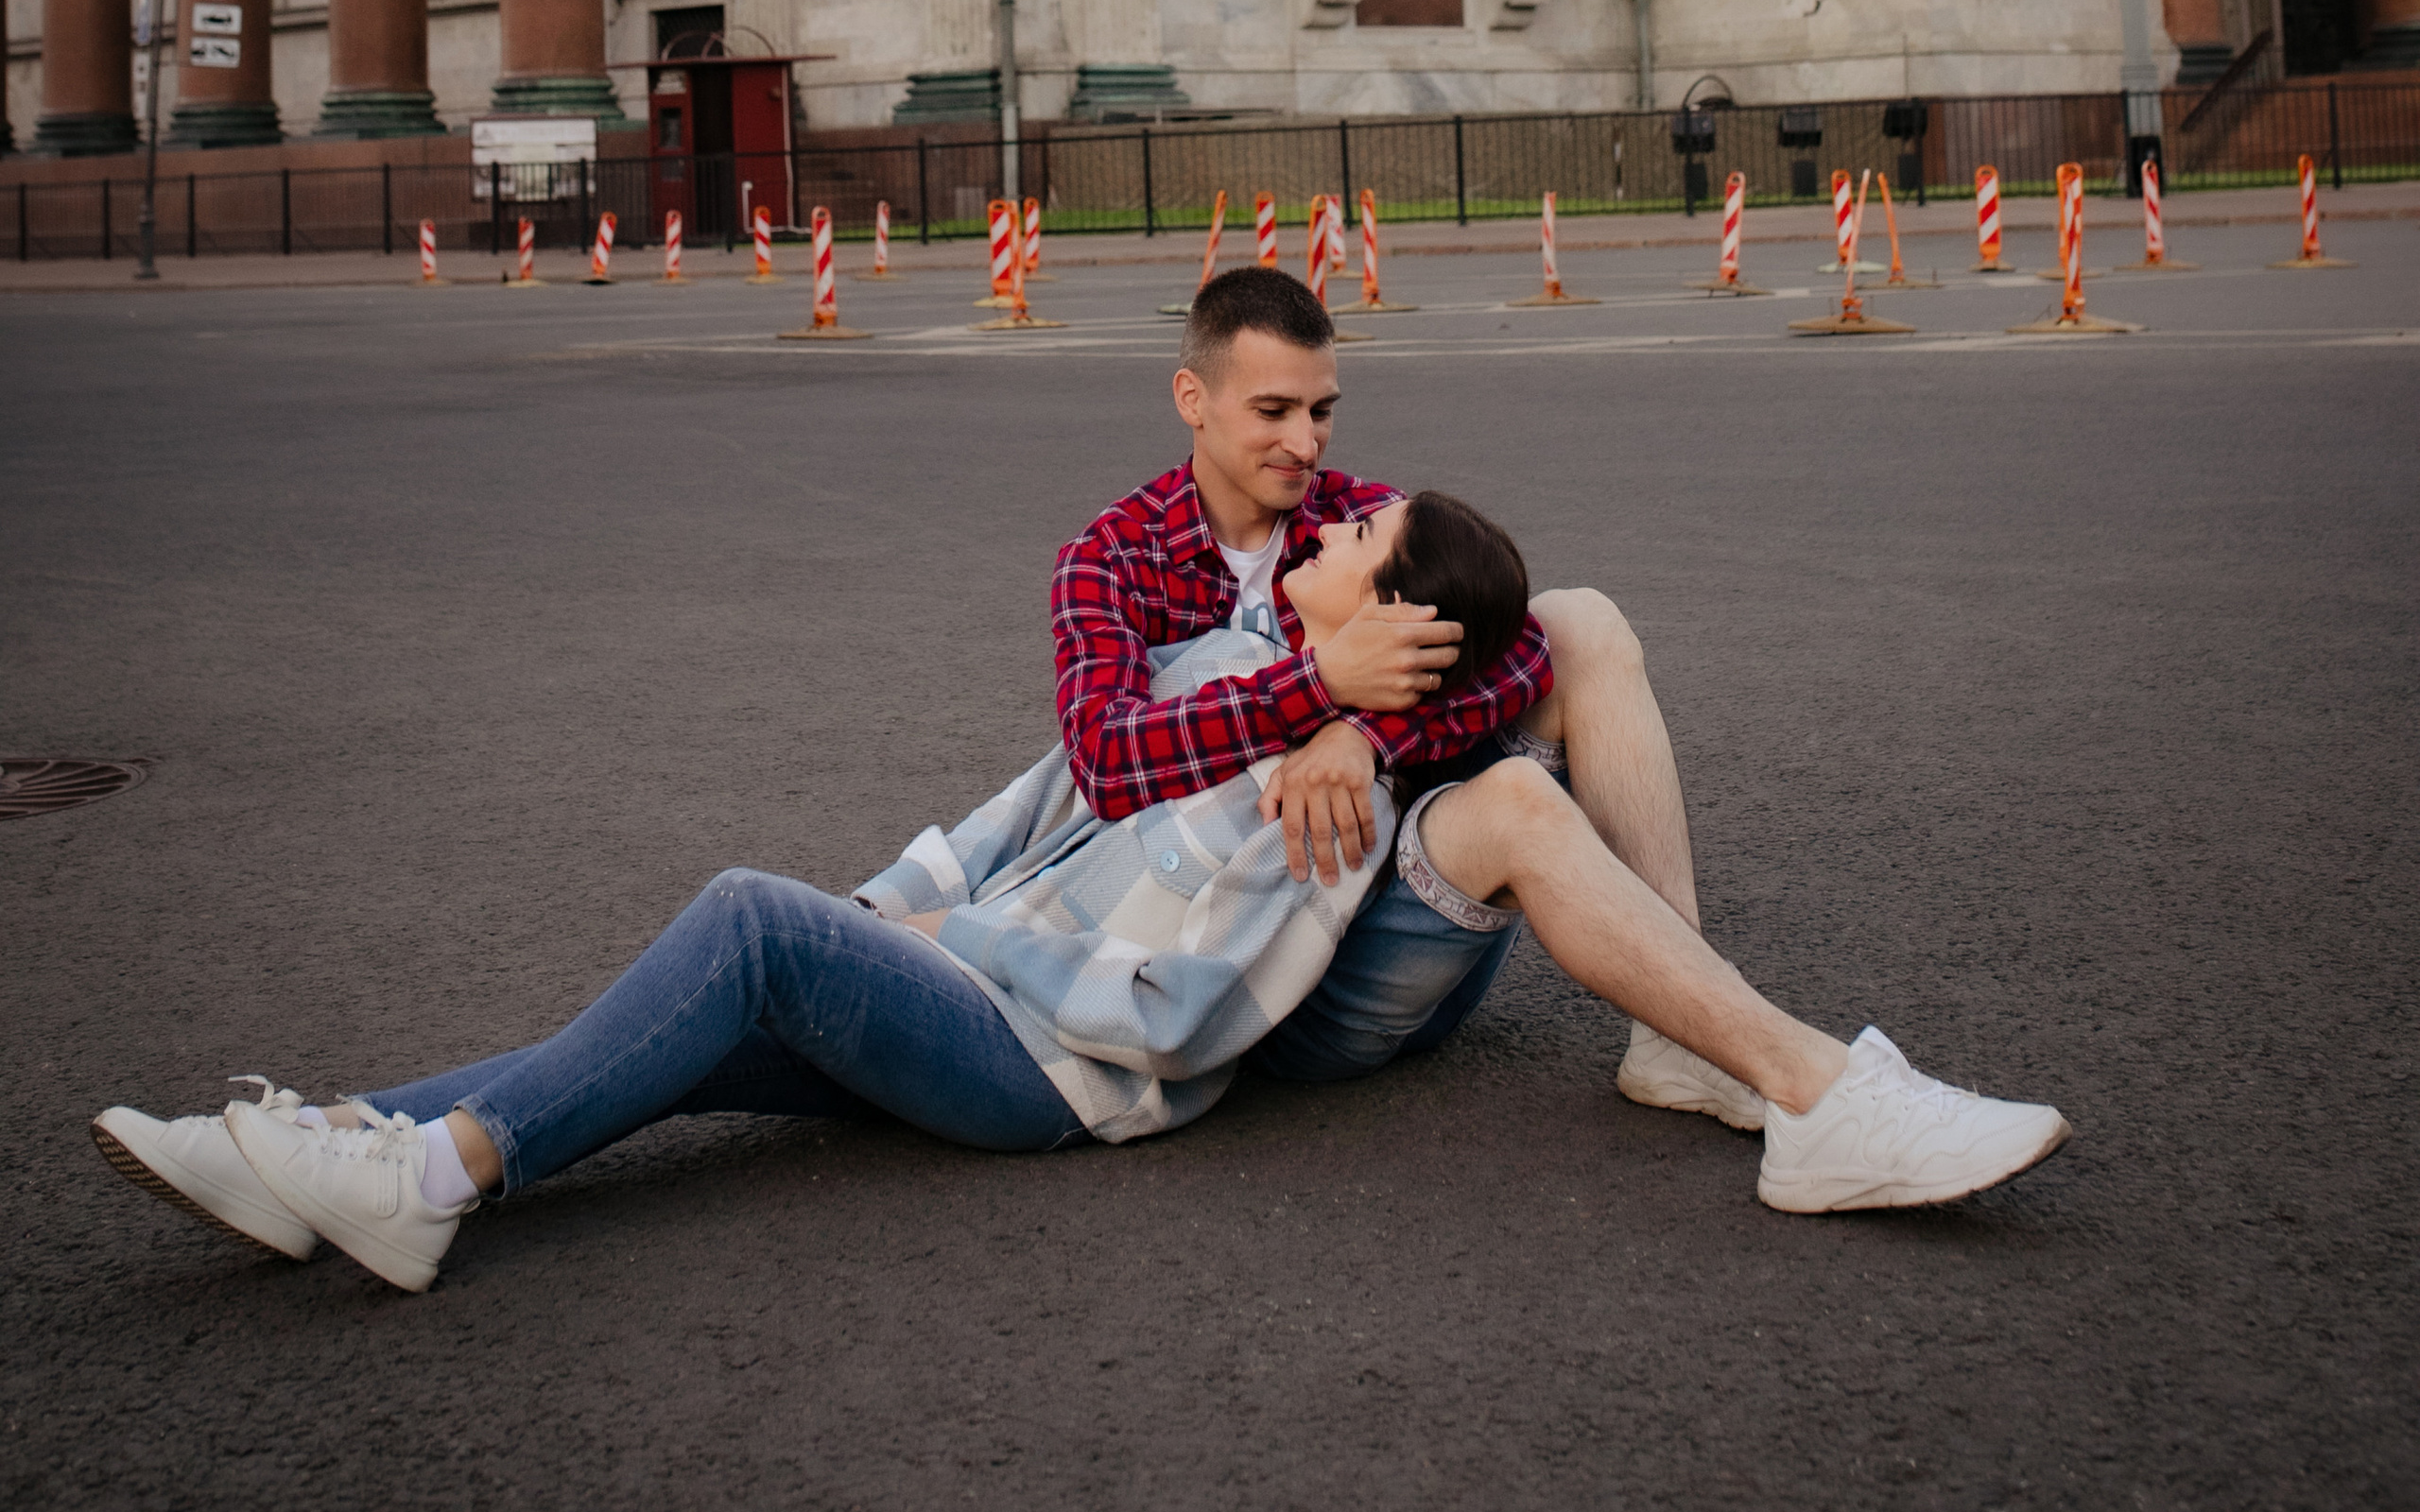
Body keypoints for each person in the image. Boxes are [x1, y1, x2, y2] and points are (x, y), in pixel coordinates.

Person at [90, 487, 1531, 1292]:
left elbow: (1180, 1022)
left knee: (747, 919)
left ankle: (424, 1181)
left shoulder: (1329, 810)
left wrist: (948, 941)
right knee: (671, 1035)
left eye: (1365, 538)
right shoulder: (1221, 668)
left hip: (1050, 1075)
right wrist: (885, 913)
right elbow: (1031, 804)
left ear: (1400, 620)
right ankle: (321, 1145)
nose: (1334, 518)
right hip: (960, 983)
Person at [1055, 266, 2071, 1204]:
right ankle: (1799, 1081)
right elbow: (1104, 757)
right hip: (1267, 968)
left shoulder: (1360, 515)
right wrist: (1312, 692)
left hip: (1397, 904)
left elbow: (1519, 654)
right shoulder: (1114, 557)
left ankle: (1683, 1042)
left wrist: (1362, 736)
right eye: (1272, 411)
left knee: (1581, 621)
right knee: (1512, 791)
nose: (1306, 444)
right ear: (1193, 399)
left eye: (1321, 410)